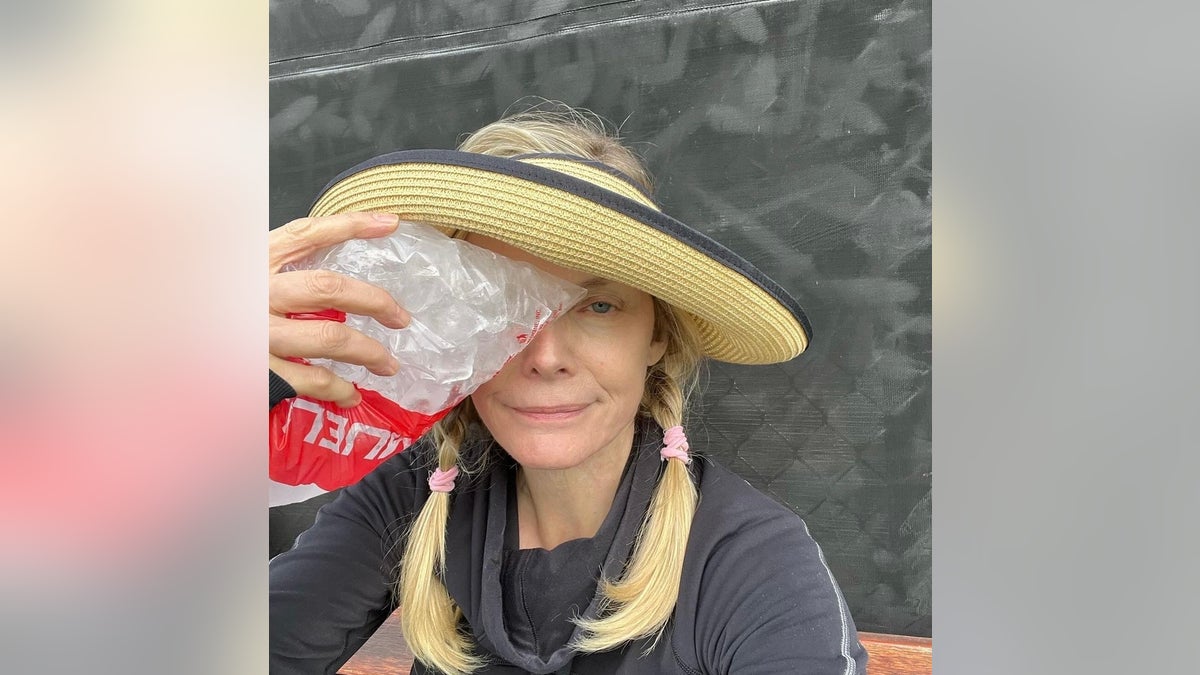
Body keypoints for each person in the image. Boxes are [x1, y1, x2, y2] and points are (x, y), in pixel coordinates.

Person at [269, 108, 869, 674]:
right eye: (504, 304)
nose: (546, 357)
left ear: (656, 336)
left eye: (598, 306)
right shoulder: (411, 495)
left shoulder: (749, 562)